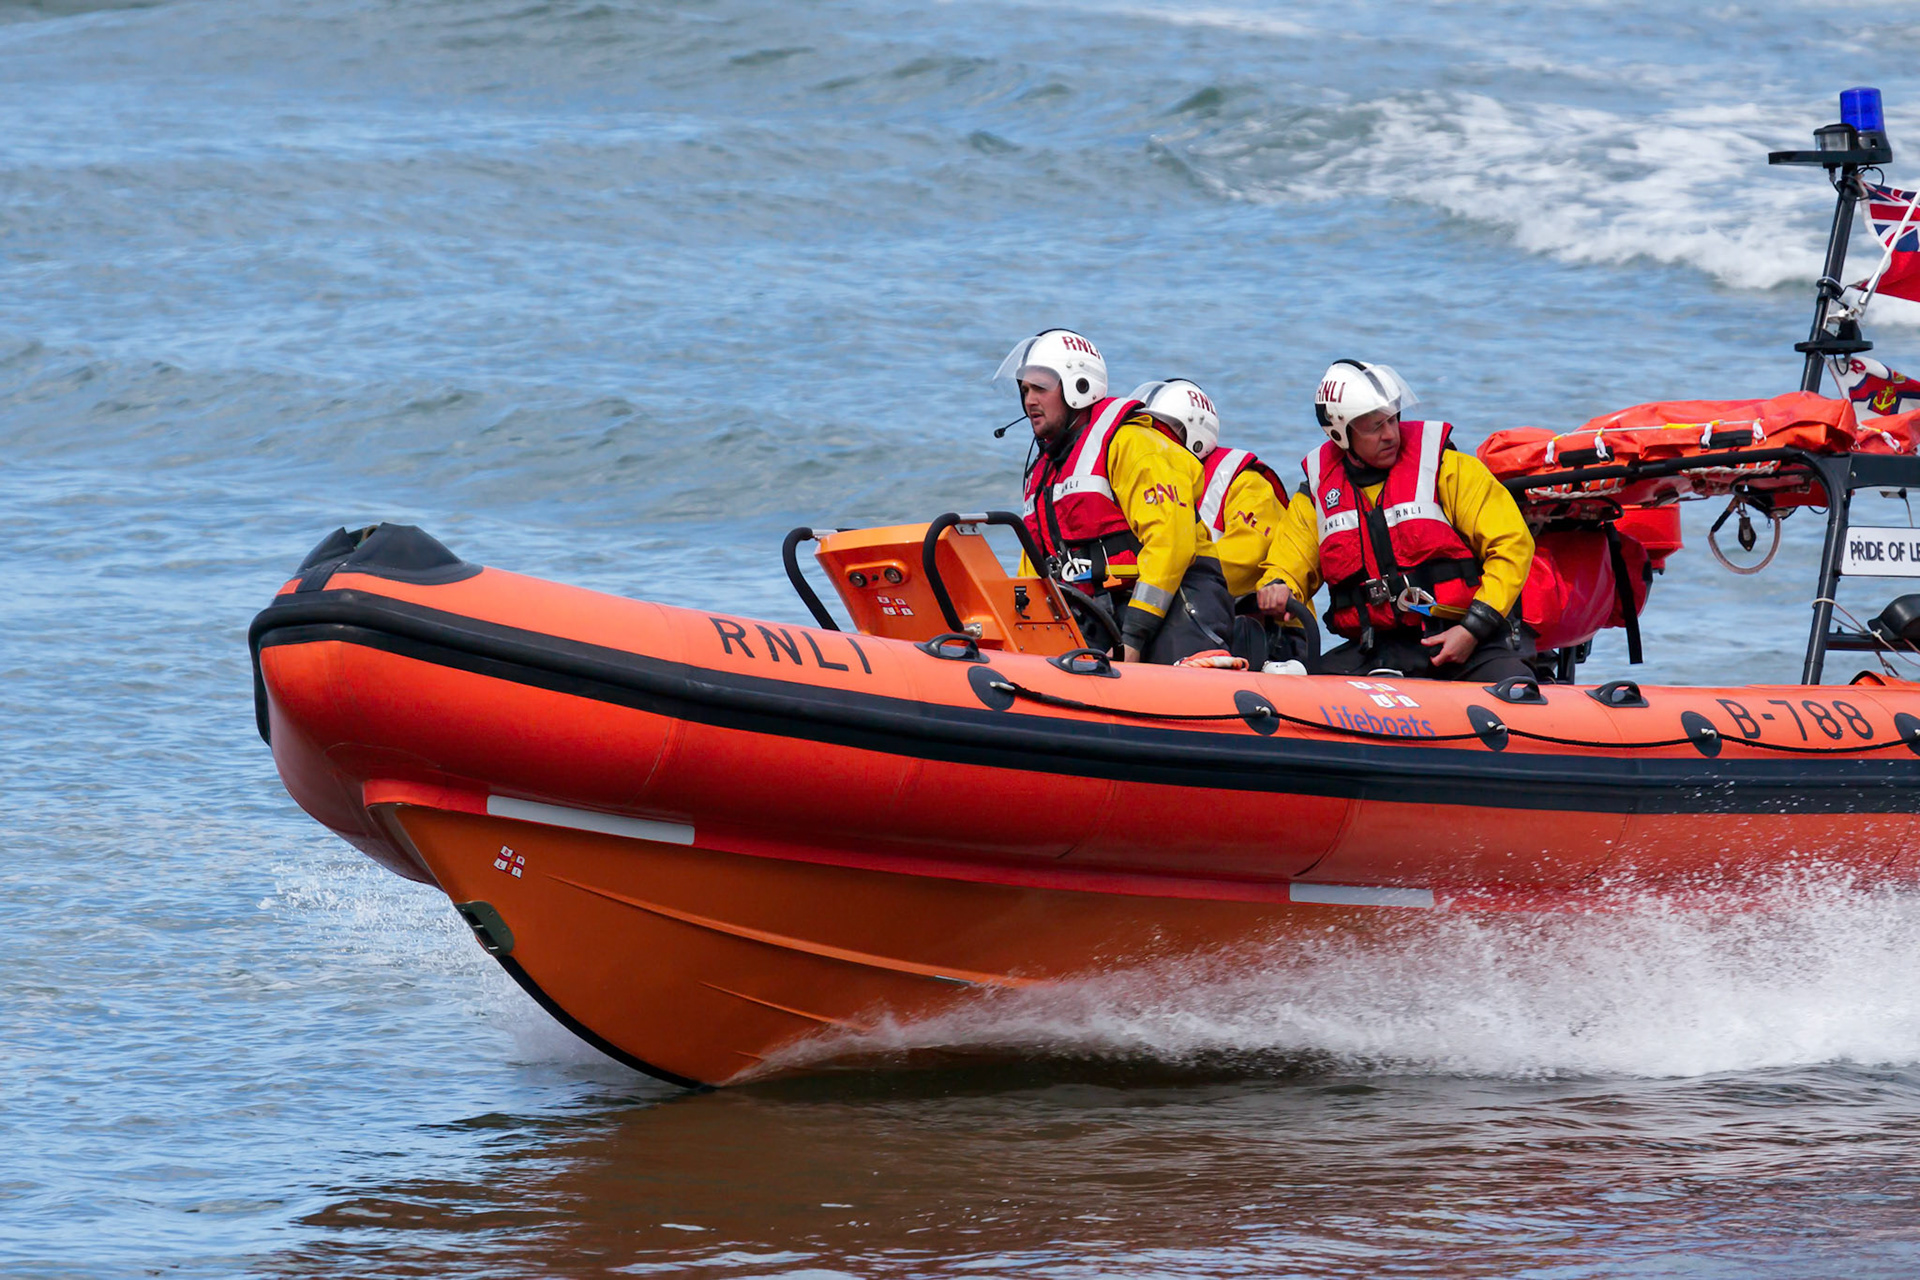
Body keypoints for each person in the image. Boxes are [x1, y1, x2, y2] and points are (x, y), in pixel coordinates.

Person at [1255, 360, 1535, 680]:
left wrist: (1473, 629)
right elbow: (1287, 564)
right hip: (1380, 648)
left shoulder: (1448, 468)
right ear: (1340, 433)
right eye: (1375, 426)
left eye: (1392, 420)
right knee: (1298, 689)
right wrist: (1276, 588)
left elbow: (1513, 544)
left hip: (1474, 638)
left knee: (1514, 696)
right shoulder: (1317, 495)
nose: (1390, 435)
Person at [997, 330, 1236, 664]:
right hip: (1100, 615)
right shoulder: (1044, 474)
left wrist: (1133, 638)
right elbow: (1036, 567)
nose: (1029, 400)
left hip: (1175, 605)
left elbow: (1171, 543)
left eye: (1039, 387)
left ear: (1079, 386)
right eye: (1024, 390)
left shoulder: (1133, 443)